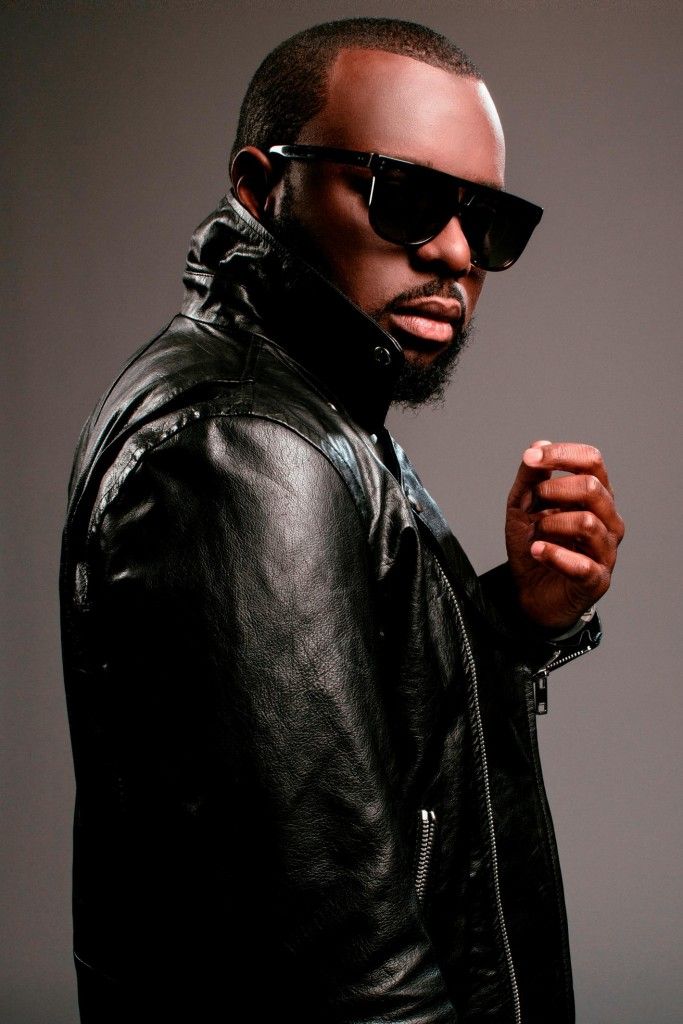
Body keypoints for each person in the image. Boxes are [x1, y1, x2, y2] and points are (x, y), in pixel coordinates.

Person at [59, 17, 624, 1024]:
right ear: (260, 186)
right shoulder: (246, 447)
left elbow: (374, 785)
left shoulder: (311, 414)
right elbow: (340, 973)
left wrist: (512, 622)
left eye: (487, 221)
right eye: (404, 198)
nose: (454, 253)